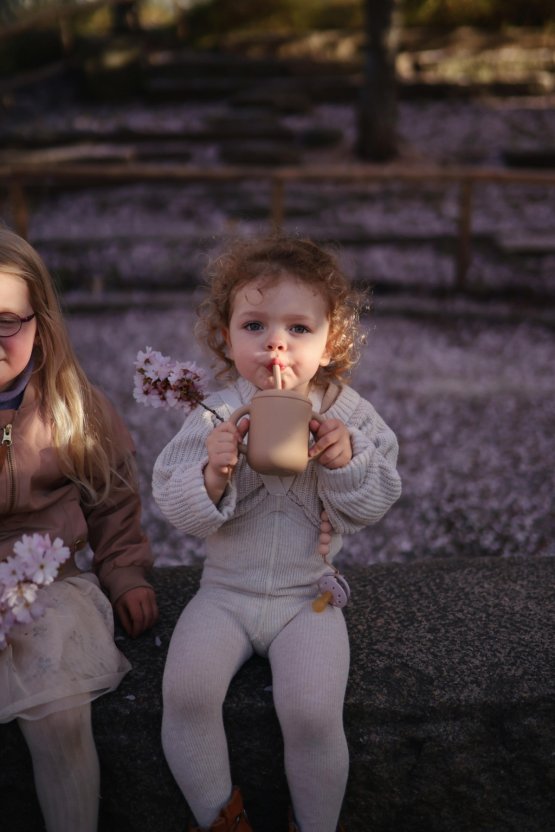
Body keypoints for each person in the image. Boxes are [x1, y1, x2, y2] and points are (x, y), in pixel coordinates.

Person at [152, 235, 401, 832]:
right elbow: (171, 499)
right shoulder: (215, 411)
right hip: (225, 593)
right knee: (185, 695)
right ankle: (222, 820)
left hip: (306, 597)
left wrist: (346, 461)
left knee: (313, 712)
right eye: (255, 325)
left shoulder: (349, 412)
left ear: (331, 338)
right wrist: (212, 472)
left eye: (299, 328)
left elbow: (379, 496)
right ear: (226, 335)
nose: (276, 344)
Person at [0, 227, 159, 832]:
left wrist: (123, 571)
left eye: (6, 320)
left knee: (60, 717)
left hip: (51, 587)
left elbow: (113, 496)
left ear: (39, 321)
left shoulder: (72, 405)